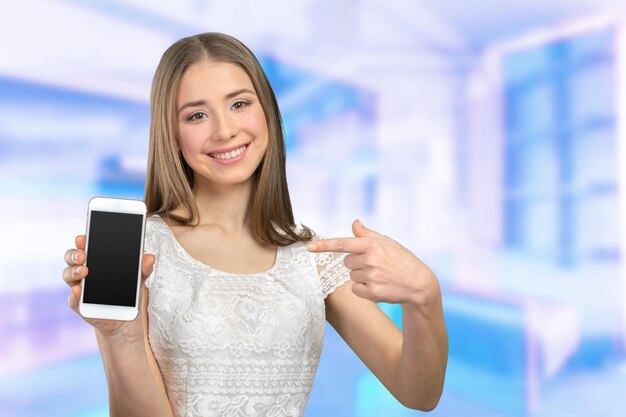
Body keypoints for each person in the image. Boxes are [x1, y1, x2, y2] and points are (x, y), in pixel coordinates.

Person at [62, 32, 448, 417]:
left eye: (239, 104)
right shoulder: (140, 252)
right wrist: (120, 337)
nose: (225, 130)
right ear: (172, 134)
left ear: (267, 111)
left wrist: (425, 299)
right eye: (197, 114)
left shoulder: (312, 256)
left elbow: (418, 393)